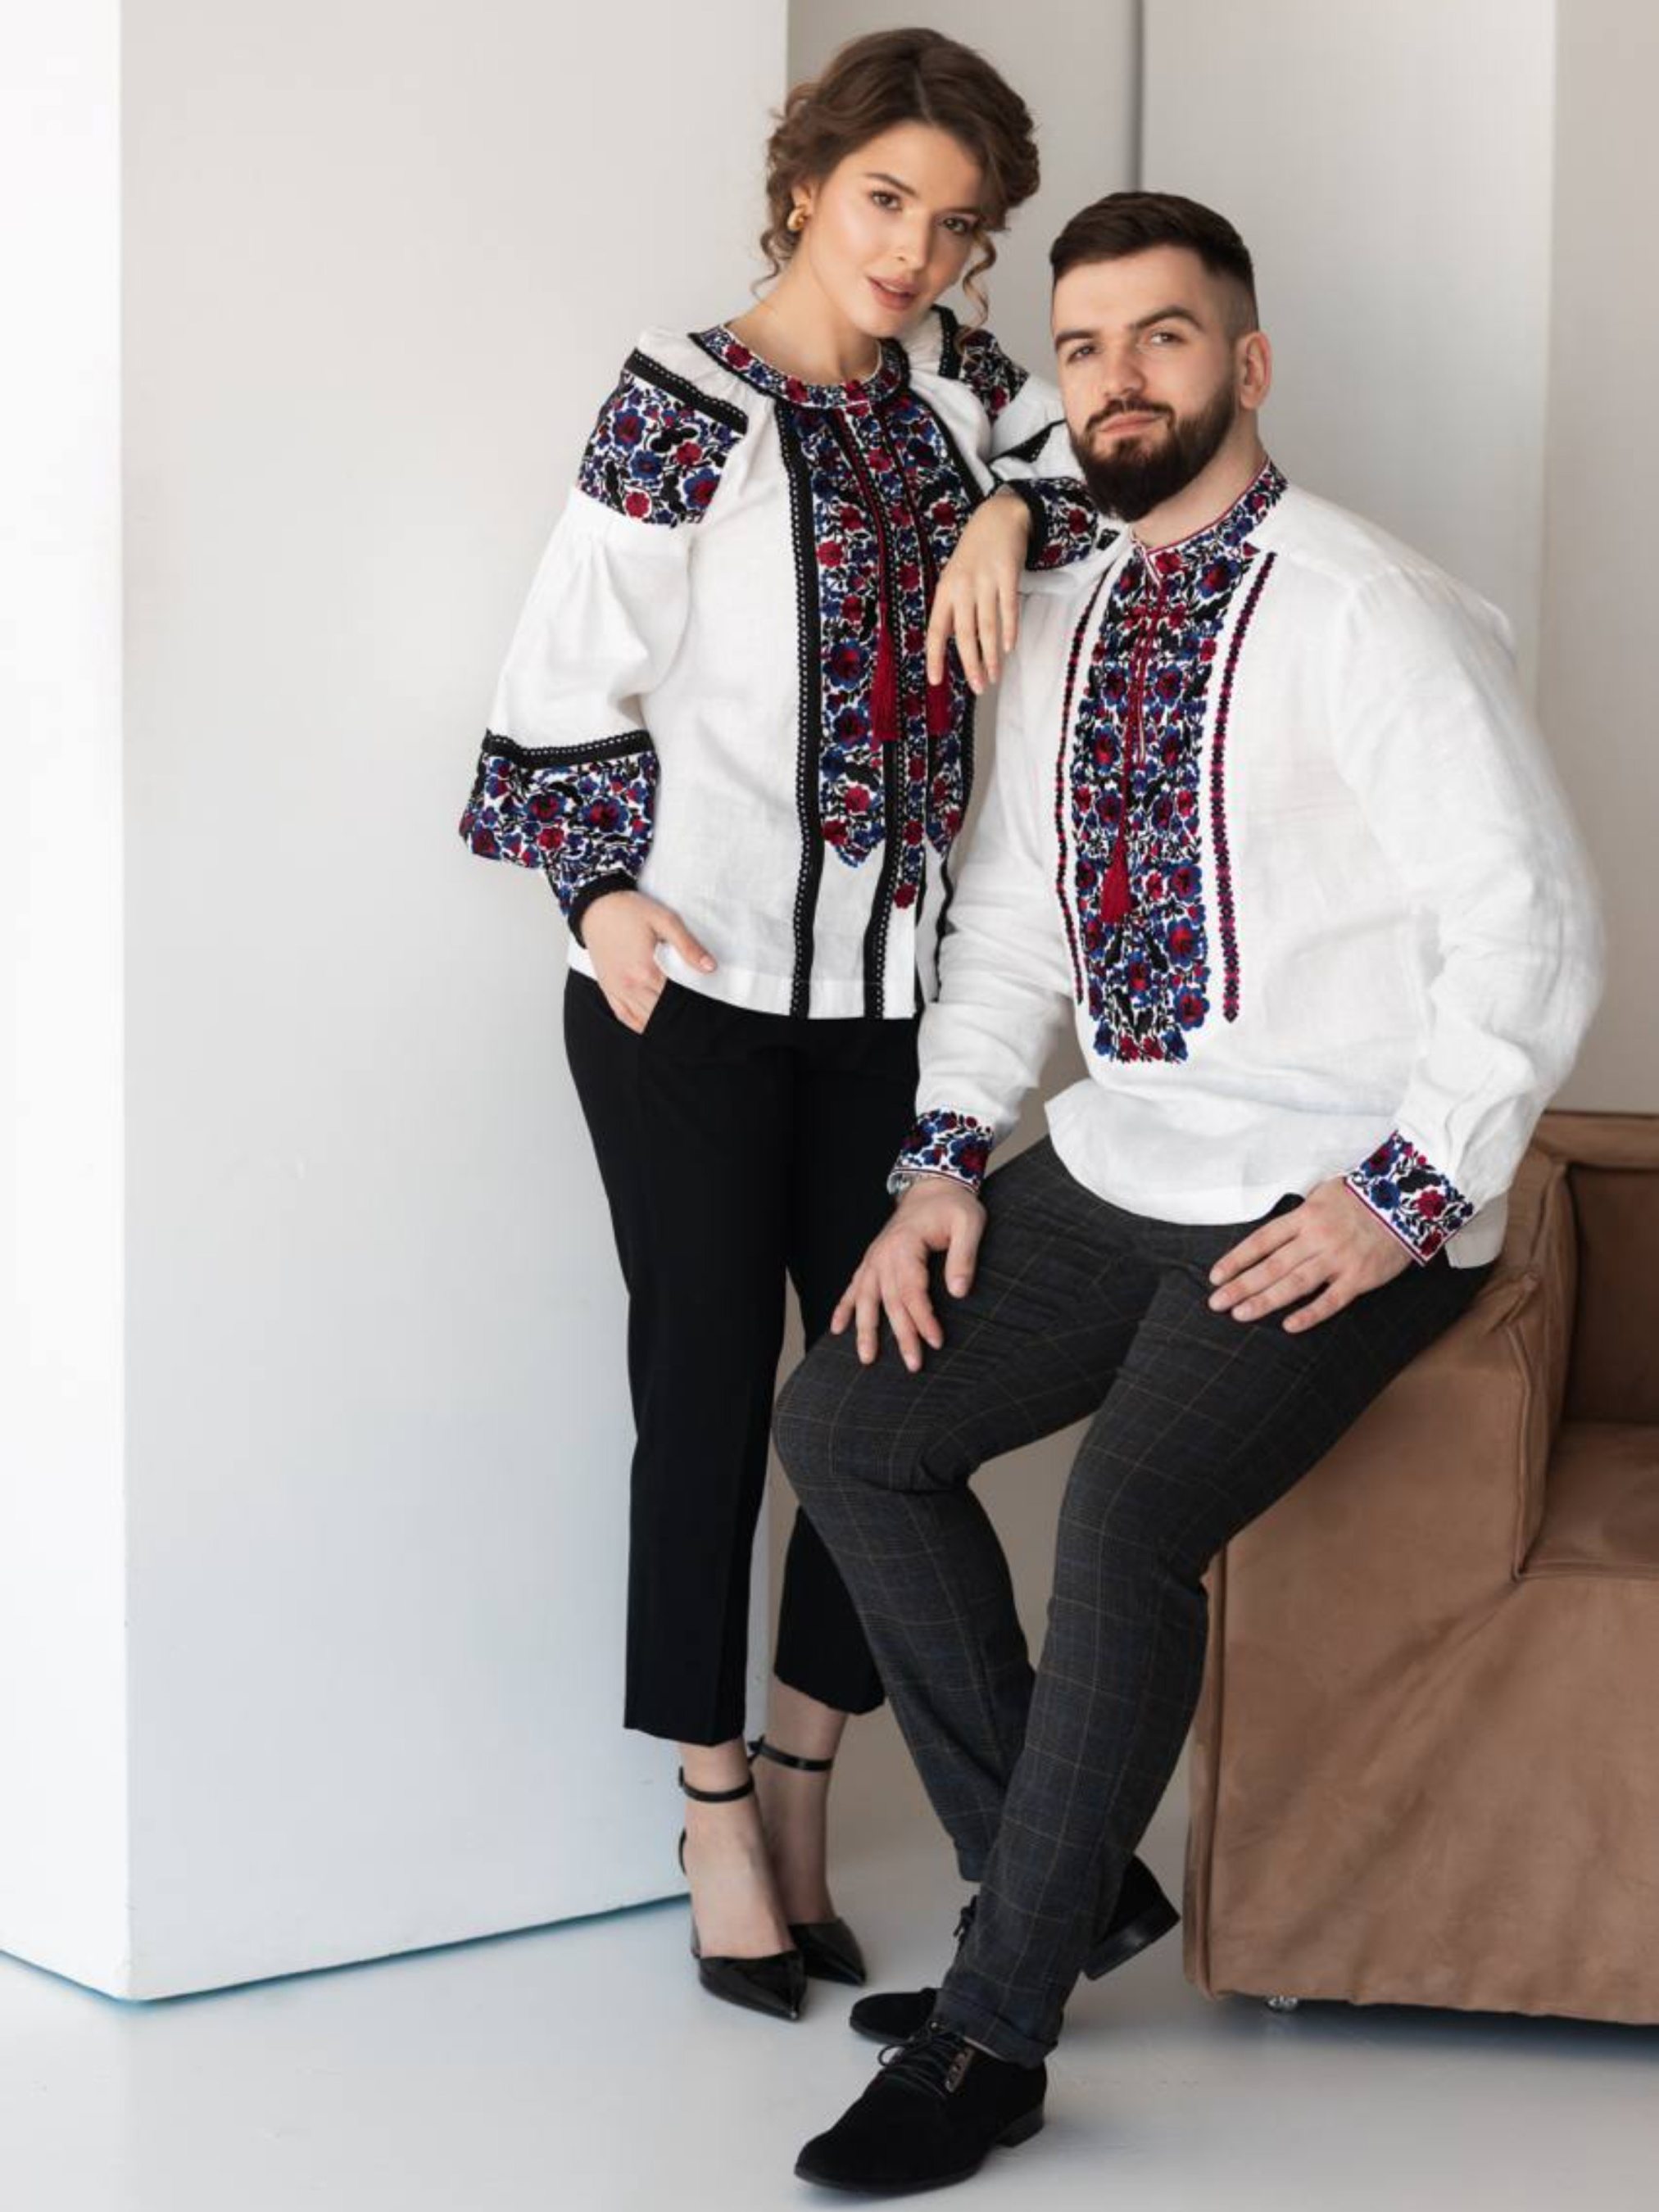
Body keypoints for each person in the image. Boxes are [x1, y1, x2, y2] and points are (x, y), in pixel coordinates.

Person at [774, 189, 1603, 2189]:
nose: (1115, 378)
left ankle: (991, 2033)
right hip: (1127, 1153)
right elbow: (1008, 922)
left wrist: (1401, 1192)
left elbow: (1532, 923)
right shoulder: (1059, 609)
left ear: (1245, 361)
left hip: (1336, 1184)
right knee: (849, 1426)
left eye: (1160, 336)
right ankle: (1058, 1888)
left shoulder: (1369, 610)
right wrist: (942, 1157)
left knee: (1125, 1520)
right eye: (1079, 347)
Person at [456, 29, 1135, 2023]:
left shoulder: (964, 398)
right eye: (883, 201)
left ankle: (814, 1779)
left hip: (895, 1016)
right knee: (700, 1403)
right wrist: (596, 896)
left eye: (955, 224)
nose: (913, 251)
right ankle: (711, 1806)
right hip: (686, 1000)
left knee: (877, 1403)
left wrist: (1000, 520)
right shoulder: (682, 404)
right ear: (804, 185)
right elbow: (559, 674)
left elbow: (1099, 474)